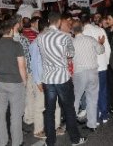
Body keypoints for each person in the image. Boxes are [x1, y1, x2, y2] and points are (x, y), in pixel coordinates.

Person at [36, 11, 87, 146]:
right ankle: (75, 139)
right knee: (69, 109)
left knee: (49, 111)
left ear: (48, 21)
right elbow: (70, 54)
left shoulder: (40, 37)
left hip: (48, 78)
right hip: (62, 77)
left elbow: (42, 54)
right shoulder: (64, 37)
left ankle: (50, 142)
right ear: (59, 22)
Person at [0, 18, 27, 146]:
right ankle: (17, 142)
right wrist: (25, 82)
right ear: (11, 30)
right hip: (15, 83)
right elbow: (22, 66)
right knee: (15, 115)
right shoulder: (17, 45)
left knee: (0, 115)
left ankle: (2, 142)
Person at [72, 20, 105, 132]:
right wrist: (101, 43)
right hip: (93, 72)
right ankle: (92, 125)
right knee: (92, 99)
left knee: (76, 99)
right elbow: (101, 51)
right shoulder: (90, 39)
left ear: (72, 31)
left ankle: (72, 125)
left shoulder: (71, 42)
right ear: (82, 29)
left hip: (79, 73)